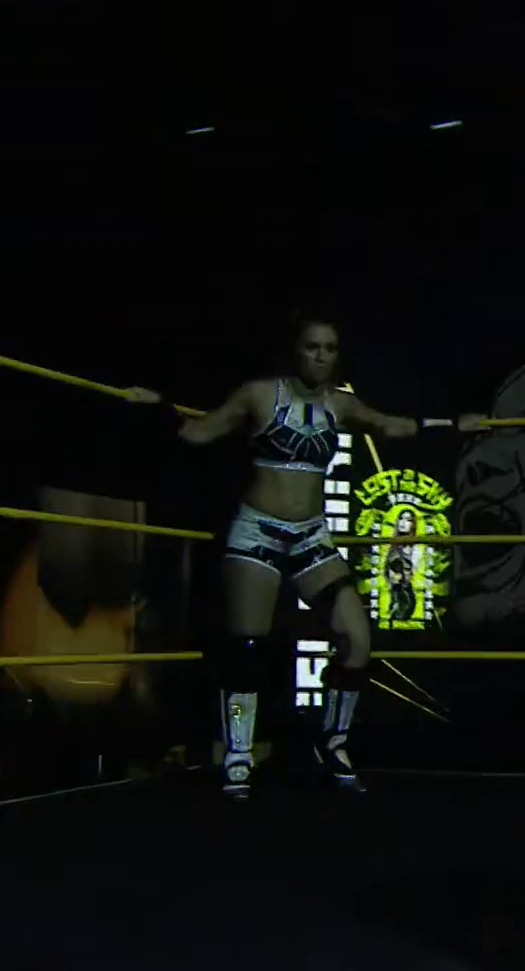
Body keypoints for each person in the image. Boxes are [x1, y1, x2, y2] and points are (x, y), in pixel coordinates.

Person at [135, 316, 475, 798]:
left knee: (357, 639)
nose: (321, 356)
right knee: (246, 649)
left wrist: (454, 424)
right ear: (295, 350)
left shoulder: (341, 403)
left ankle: (333, 743)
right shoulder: (259, 395)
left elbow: (392, 426)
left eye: (330, 348)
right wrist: (158, 408)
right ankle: (238, 753)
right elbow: (198, 434)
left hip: (311, 536)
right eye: (312, 346)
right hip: (258, 530)